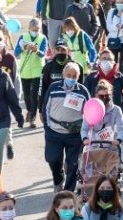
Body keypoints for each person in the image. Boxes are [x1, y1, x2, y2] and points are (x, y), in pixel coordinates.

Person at [43, 62, 89, 192]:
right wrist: (47, 127)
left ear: (78, 77)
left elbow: (89, 113)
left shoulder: (83, 91)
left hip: (74, 134)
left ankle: (68, 192)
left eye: (74, 76)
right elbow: (46, 108)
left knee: (73, 165)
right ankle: (58, 180)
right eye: (68, 75)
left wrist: (85, 132)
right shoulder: (53, 87)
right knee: (53, 159)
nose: (71, 78)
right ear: (63, 74)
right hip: (54, 132)